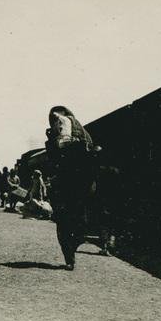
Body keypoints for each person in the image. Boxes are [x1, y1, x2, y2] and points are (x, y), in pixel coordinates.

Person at [46, 105, 95, 271]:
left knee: (65, 223)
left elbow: (54, 159)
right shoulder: (83, 134)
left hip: (67, 186)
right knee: (77, 221)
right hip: (78, 186)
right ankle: (72, 252)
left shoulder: (60, 133)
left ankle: (70, 256)